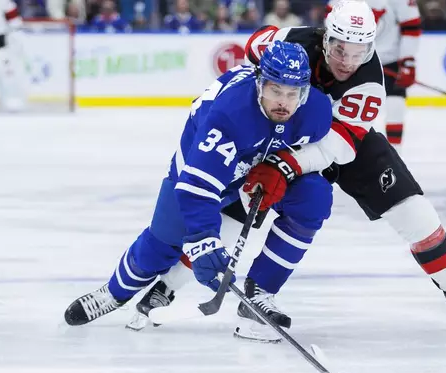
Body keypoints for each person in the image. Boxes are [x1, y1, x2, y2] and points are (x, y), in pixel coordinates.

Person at [142, 0, 446, 342]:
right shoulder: (294, 39)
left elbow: (339, 147)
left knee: (413, 210)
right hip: (276, 131)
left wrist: (284, 166)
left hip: (335, 138)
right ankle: (168, 286)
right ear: (325, 37)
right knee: (240, 213)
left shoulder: (368, 82)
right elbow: (255, 46)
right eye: (340, 48)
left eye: (358, 52)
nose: (348, 61)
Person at [63, 41, 334, 331]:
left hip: (250, 171)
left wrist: (281, 165)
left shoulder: (314, 111)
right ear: (259, 84)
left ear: (304, 93)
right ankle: (115, 293)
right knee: (163, 244)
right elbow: (197, 188)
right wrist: (203, 240)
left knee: (314, 195)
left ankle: (249, 291)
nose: (283, 102)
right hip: (195, 169)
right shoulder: (230, 115)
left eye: (292, 93)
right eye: (274, 90)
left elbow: (325, 151)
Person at [365, 0, 421, 146]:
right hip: (358, 60)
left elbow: (411, 27)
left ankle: (395, 154)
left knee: (395, 105)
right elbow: (331, 24)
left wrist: (407, 62)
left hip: (391, 60)